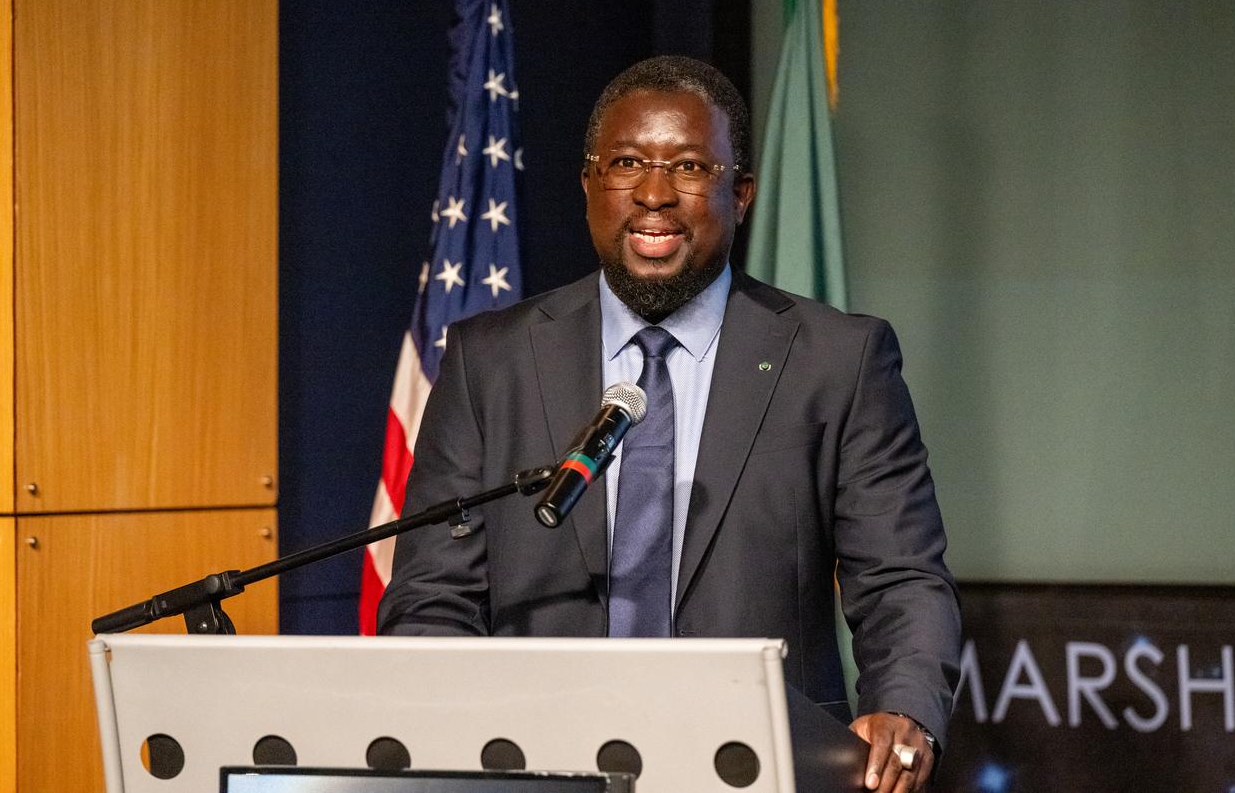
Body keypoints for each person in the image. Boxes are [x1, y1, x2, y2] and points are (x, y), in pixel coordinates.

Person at [380, 55, 961, 792]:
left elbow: (902, 577)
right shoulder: (488, 359)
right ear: (590, 182)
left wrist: (904, 707)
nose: (654, 195)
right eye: (626, 162)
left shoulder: (836, 359)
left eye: (689, 166)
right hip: (536, 765)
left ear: (741, 194)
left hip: (760, 765)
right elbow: (434, 594)